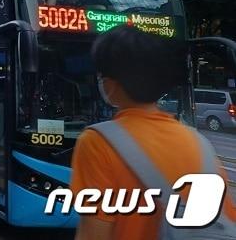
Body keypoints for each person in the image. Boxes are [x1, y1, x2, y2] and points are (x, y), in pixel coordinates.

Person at [71, 26, 236, 240]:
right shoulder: (197, 141)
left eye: (102, 74)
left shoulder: (97, 142)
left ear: (111, 83)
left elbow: (93, 234)